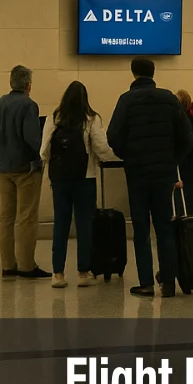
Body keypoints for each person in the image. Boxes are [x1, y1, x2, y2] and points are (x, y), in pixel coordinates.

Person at [106, 58, 193, 297]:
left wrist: (128, 156)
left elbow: (112, 136)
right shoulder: (169, 99)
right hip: (164, 173)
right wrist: (172, 160)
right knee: (164, 226)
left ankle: (146, 283)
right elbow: (187, 137)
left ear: (133, 73)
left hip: (137, 173)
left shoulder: (127, 100)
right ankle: (168, 282)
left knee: (141, 228)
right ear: (153, 73)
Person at [39, 81, 116, 287]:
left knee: (61, 224)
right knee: (84, 225)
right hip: (85, 178)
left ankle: (58, 273)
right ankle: (83, 272)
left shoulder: (54, 118)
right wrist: (115, 156)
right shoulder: (91, 118)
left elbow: (43, 150)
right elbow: (101, 148)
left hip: (60, 180)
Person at [0, 65, 47, 279]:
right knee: (26, 217)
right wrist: (42, 157)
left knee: (6, 217)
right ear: (28, 85)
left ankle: (8, 265)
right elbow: (33, 139)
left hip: (1, 169)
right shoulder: (28, 105)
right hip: (25, 170)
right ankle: (26, 265)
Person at [174, 89, 193, 217]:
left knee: (180, 193)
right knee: (189, 190)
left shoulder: (178, 121)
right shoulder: (192, 118)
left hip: (181, 162)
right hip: (190, 162)